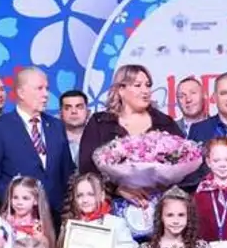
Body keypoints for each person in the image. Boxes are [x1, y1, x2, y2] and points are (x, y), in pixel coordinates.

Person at [77, 64, 182, 196]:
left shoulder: (165, 123)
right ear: (121, 90)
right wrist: (116, 189)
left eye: (148, 85)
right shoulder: (100, 123)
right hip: (112, 202)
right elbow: (87, 170)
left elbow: (185, 159)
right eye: (138, 85)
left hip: (161, 201)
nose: (145, 91)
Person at [0, 68, 74, 219]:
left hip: (56, 216)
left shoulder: (56, 126)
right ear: (21, 93)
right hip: (16, 218)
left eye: (47, 88)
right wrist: (14, 205)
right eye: (39, 88)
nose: (46, 94)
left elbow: (67, 171)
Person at [58, 90, 89, 165]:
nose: (74, 111)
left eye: (79, 107)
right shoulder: (51, 141)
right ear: (60, 114)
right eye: (67, 108)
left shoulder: (99, 139)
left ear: (88, 112)